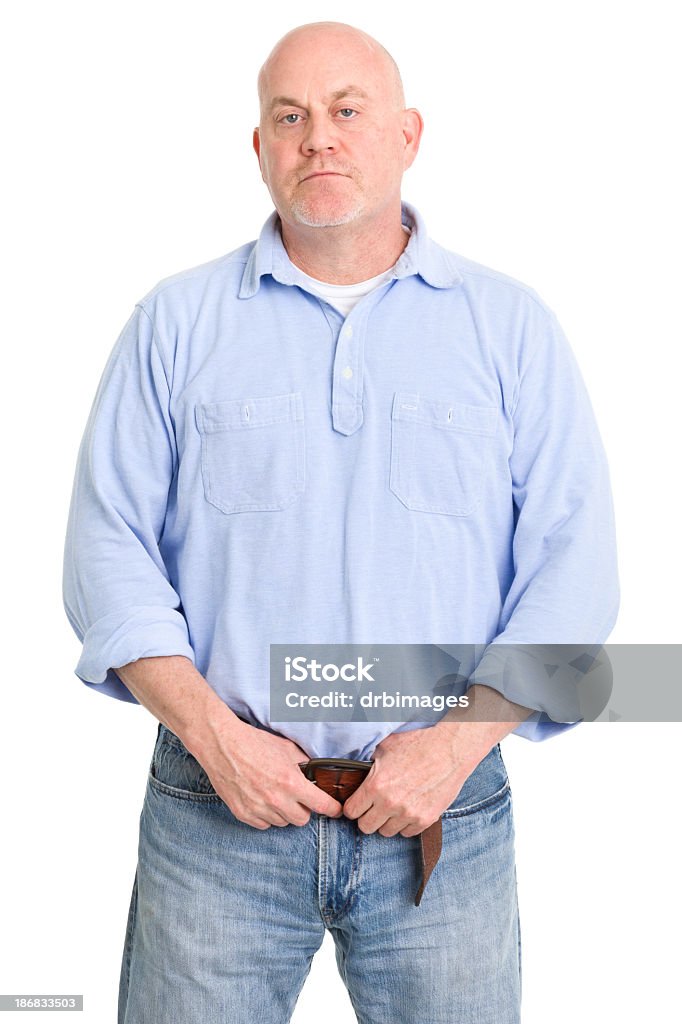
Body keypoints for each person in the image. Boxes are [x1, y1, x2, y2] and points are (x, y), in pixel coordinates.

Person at [62, 20, 619, 1024]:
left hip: (442, 813)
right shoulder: (175, 322)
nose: (318, 137)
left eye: (346, 111)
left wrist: (449, 749)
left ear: (407, 135)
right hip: (216, 813)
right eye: (290, 116)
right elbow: (108, 551)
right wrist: (217, 739)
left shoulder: (509, 328)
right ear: (260, 149)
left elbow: (572, 572)